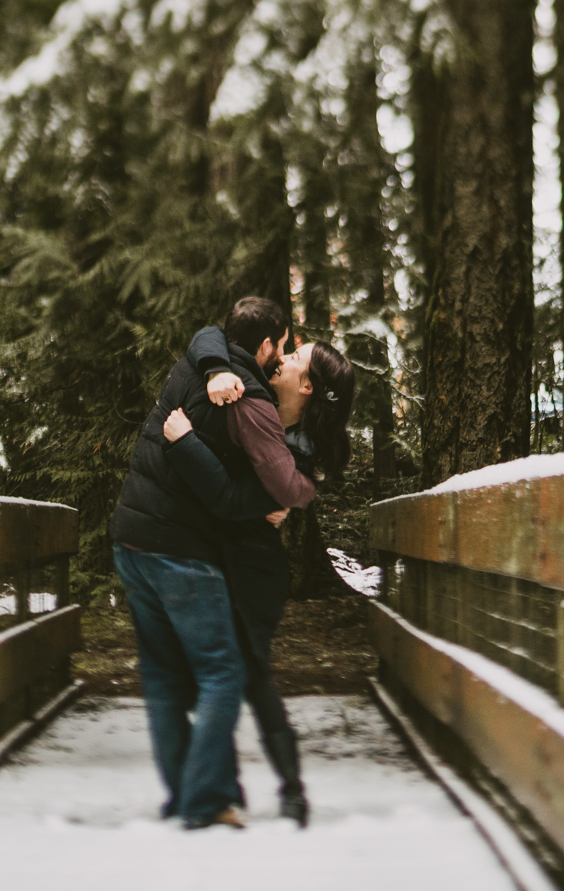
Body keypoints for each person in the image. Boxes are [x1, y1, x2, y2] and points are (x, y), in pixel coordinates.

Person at [108, 296, 300, 830]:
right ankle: (206, 799)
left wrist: (215, 362)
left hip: (130, 539)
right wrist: (269, 502)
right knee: (223, 671)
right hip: (178, 550)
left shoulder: (198, 360)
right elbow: (228, 500)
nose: (282, 359)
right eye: (281, 347)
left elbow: (205, 334)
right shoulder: (247, 396)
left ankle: (182, 793)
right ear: (264, 345)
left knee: (164, 676)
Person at [162, 332, 357, 828]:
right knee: (220, 674)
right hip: (223, 554)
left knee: (246, 673)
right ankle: (224, 787)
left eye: (295, 359)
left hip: (254, 568)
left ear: (309, 386)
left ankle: (286, 789)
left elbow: (235, 496)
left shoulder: (300, 455)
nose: (284, 359)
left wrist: (185, 444)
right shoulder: (260, 409)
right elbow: (214, 337)